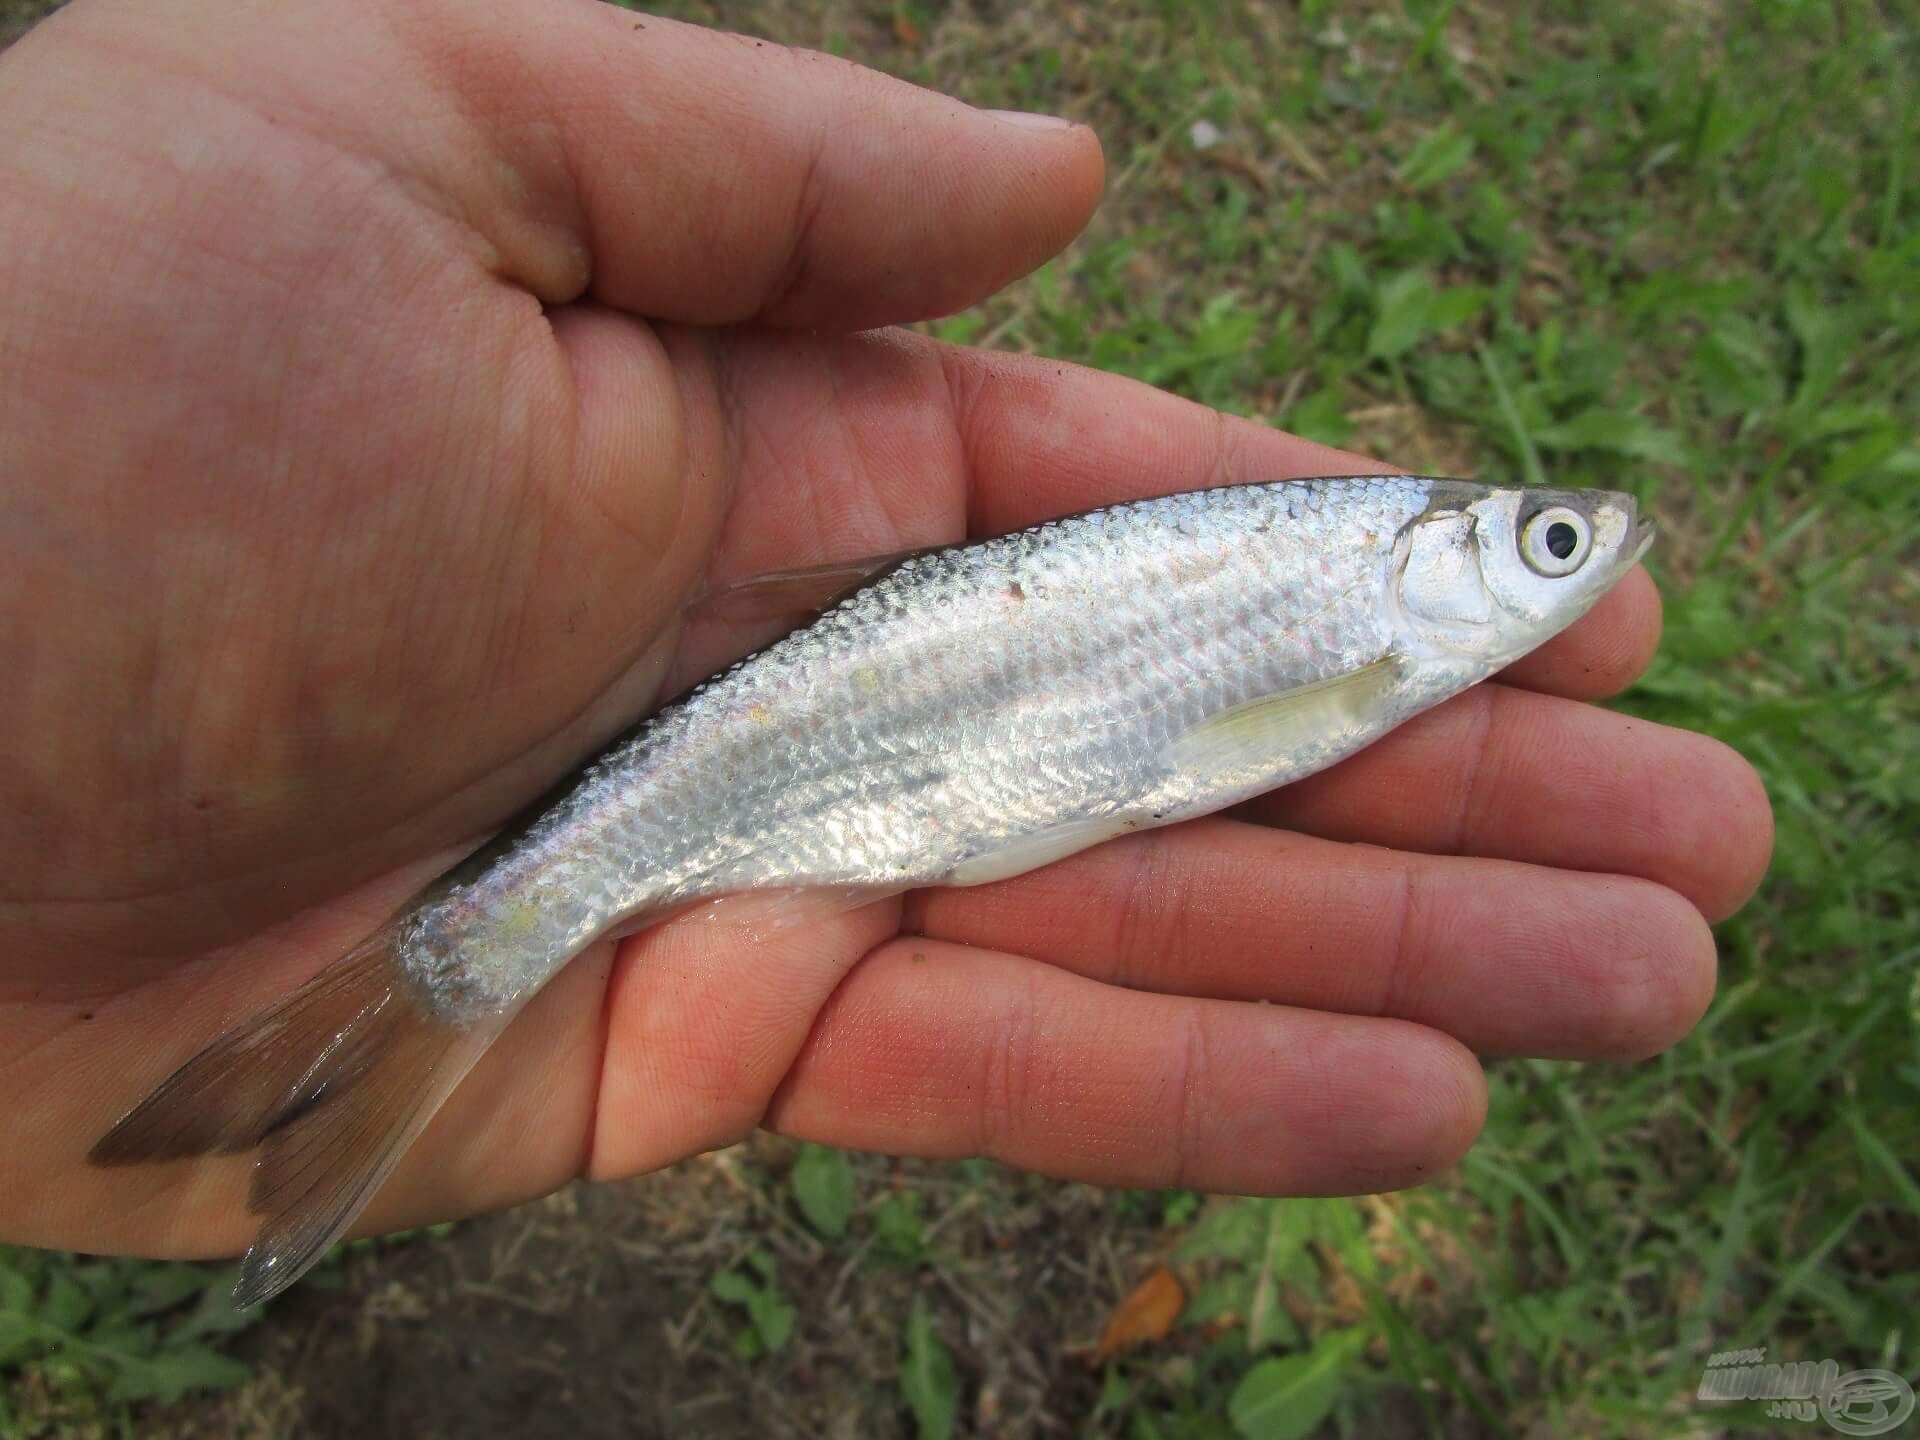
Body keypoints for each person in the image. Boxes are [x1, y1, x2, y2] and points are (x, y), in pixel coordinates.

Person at [0, 0, 1770, 1268]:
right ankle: (427, 987)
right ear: (1434, 561)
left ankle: (375, 1040)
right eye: (1547, 543)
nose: (1571, 557)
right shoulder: (1363, 598)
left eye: (1557, 545)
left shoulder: (1370, 609)